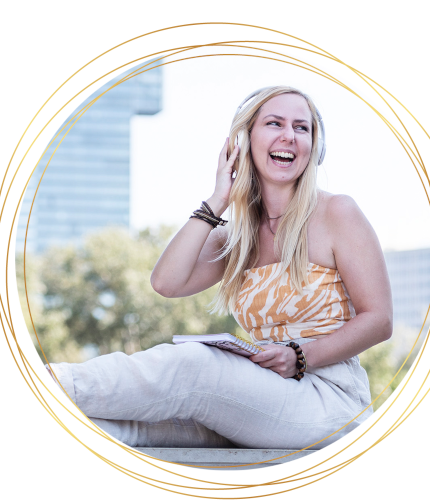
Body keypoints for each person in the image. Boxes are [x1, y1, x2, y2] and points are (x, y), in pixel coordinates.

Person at [46, 86, 393, 451]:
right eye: (275, 123)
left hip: (330, 400)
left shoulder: (337, 212)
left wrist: (300, 356)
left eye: (301, 127)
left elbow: (379, 319)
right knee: (124, 428)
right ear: (243, 142)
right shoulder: (235, 237)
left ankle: (54, 382)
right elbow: (165, 283)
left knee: (196, 364)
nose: (289, 135)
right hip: (258, 400)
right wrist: (218, 200)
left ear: (314, 146)